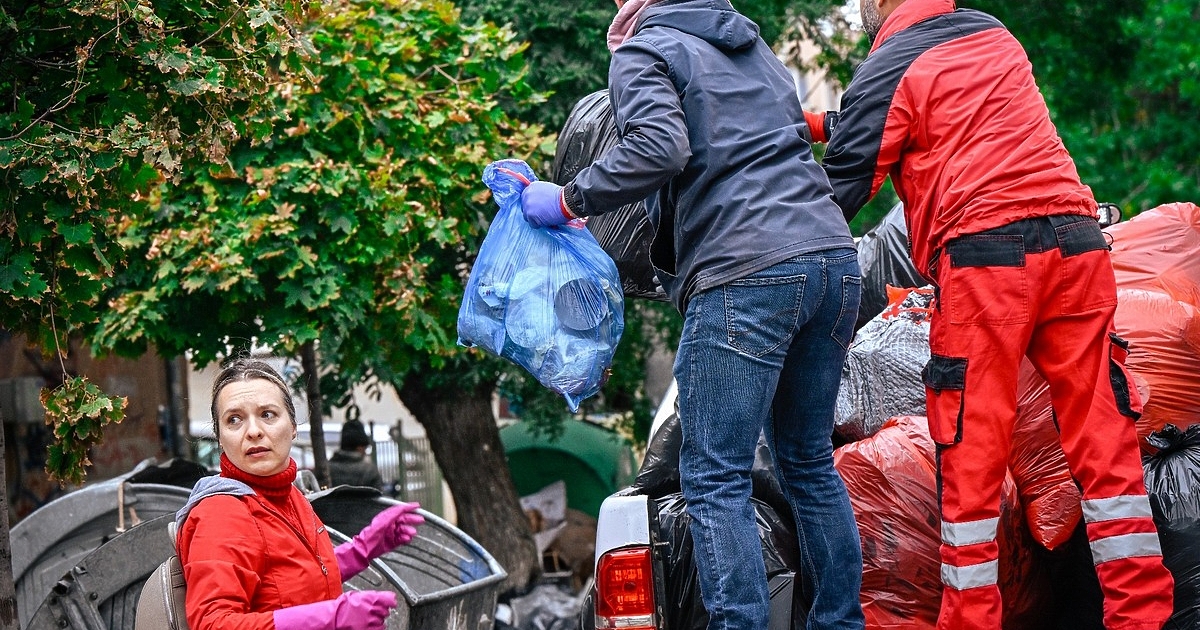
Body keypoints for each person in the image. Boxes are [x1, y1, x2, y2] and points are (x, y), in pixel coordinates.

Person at [804, 0, 1175, 628]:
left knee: (972, 460)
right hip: (1077, 246)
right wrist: (812, 123)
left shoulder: (889, 64)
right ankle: (1142, 615)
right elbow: (916, 111)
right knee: (1106, 446)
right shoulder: (989, 33)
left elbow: (837, 190)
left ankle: (970, 620)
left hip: (988, 265)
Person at [519, 0, 866, 626]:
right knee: (808, 464)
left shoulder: (644, 50)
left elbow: (658, 148)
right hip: (832, 262)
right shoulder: (753, 48)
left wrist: (568, 200)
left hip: (745, 270)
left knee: (713, 477)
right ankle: (840, 622)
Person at [176, 358, 425, 630]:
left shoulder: (288, 495)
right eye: (234, 420)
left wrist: (361, 550)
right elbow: (212, 624)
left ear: (293, 426)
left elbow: (295, 581)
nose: (254, 431)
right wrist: (329, 618)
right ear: (220, 438)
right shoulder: (222, 513)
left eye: (267, 414)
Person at [329, 419, 386, 491]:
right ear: (359, 447)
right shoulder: (369, 471)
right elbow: (379, 495)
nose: (365, 452)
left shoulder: (327, 469)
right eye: (365, 448)